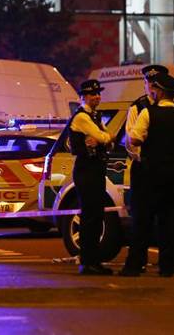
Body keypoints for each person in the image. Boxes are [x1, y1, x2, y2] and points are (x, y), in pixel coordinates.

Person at [121, 73, 174, 277]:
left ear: (158, 92)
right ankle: (168, 265)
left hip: (151, 174)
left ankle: (135, 264)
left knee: (143, 220)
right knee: (172, 221)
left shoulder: (148, 113)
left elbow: (135, 139)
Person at [122, 64, 169, 273]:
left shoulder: (172, 108)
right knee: (141, 219)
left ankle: (167, 263)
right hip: (143, 169)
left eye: (155, 84)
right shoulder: (137, 108)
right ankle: (137, 261)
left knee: (166, 219)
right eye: (149, 83)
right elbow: (131, 142)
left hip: (164, 169)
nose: (151, 88)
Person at [66, 79, 114, 275]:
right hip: (86, 170)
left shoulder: (95, 116)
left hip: (95, 169)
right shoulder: (82, 117)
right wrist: (104, 139)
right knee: (89, 216)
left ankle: (93, 260)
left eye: (98, 93)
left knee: (96, 215)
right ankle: (88, 262)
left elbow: (106, 140)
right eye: (92, 94)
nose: (97, 97)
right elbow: (105, 137)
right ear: (83, 97)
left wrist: (104, 139)